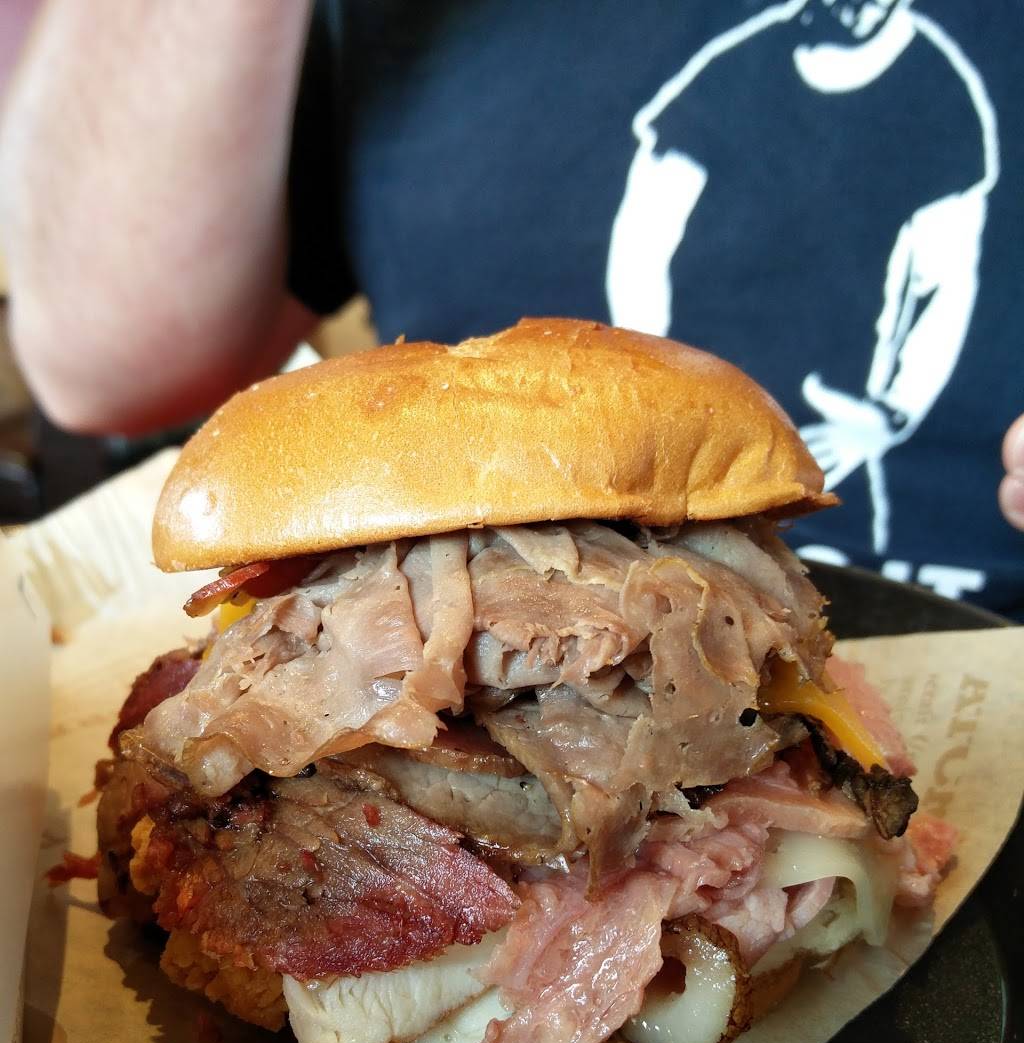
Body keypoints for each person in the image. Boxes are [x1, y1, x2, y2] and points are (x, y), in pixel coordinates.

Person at [0, 0, 1021, 616]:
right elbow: (102, 363)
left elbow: (943, 258)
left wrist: (888, 412)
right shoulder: (735, 76)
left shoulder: (932, 92)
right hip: (405, 594)